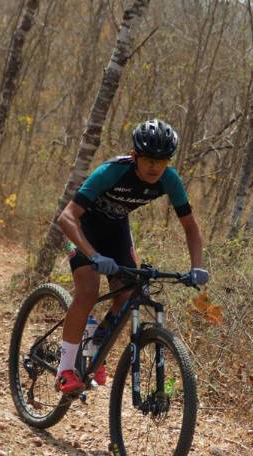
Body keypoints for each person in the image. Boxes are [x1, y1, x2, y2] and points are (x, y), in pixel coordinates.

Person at [54, 119, 208, 394]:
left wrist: (197, 267)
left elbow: (191, 227)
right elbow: (67, 217)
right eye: (148, 159)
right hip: (84, 229)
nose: (154, 167)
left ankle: (95, 347)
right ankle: (65, 369)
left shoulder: (169, 180)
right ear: (135, 156)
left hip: (116, 230)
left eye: (161, 161)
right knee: (88, 291)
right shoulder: (111, 172)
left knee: (127, 295)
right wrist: (92, 255)